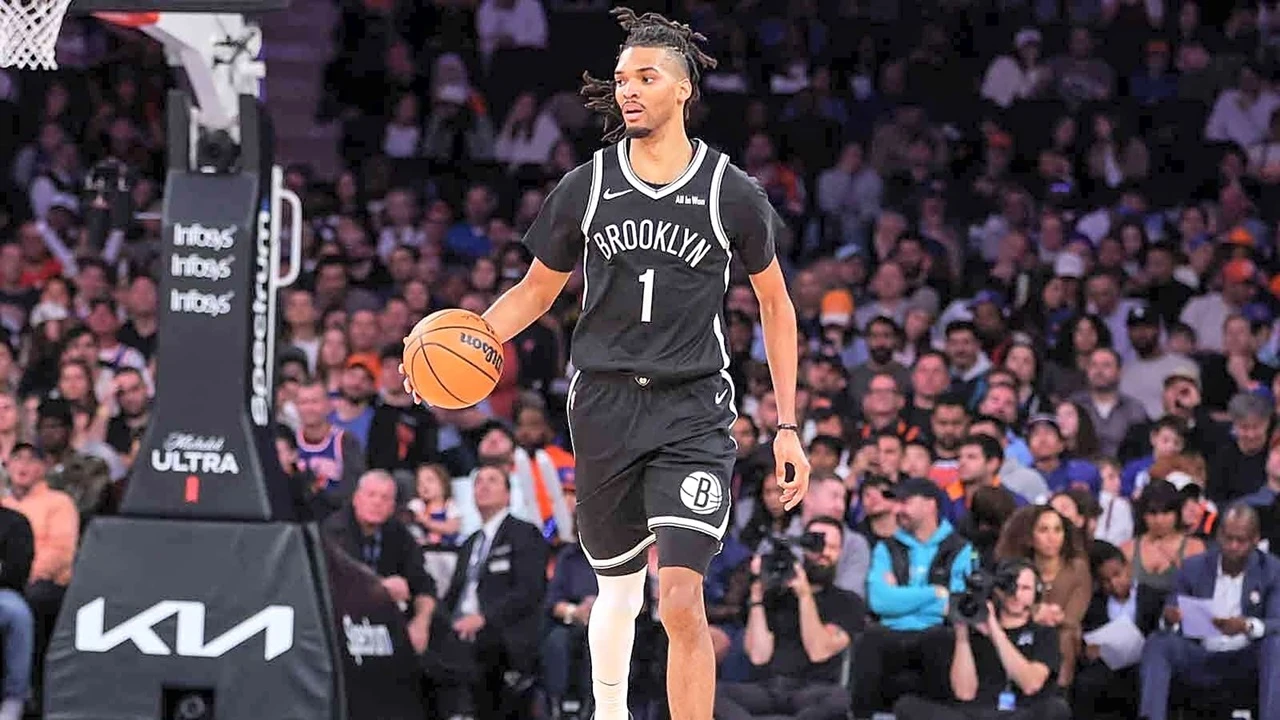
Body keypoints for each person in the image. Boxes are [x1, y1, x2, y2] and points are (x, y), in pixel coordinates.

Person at [401, 9, 810, 720]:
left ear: (683, 89)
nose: (629, 91)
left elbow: (776, 305)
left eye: (646, 78)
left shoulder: (729, 190)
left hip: (691, 409)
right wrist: (466, 345)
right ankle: (610, 711)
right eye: (622, 80)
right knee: (618, 590)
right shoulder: (588, 185)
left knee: (679, 597)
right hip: (604, 405)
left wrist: (788, 426)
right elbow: (535, 291)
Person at [1138, 503, 1280, 720]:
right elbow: (1171, 612)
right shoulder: (1194, 567)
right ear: (1219, 535)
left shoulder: (1271, 570)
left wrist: (1246, 625)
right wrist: (1170, 619)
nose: (1233, 546)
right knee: (1158, 643)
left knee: (1276, 644)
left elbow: (1276, 621)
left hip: (1246, 657)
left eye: (1241, 540)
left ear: (1255, 539)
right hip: (1200, 655)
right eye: (1228, 538)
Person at [891, 559, 1072, 720]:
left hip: (1019, 713)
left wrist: (995, 631)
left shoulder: (1044, 633)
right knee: (907, 705)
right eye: (1010, 586)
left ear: (1036, 594)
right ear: (998, 590)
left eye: (1025, 588)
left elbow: (1030, 684)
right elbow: (964, 693)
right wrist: (962, 633)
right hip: (974, 713)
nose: (1016, 594)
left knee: (1056, 708)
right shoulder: (974, 632)